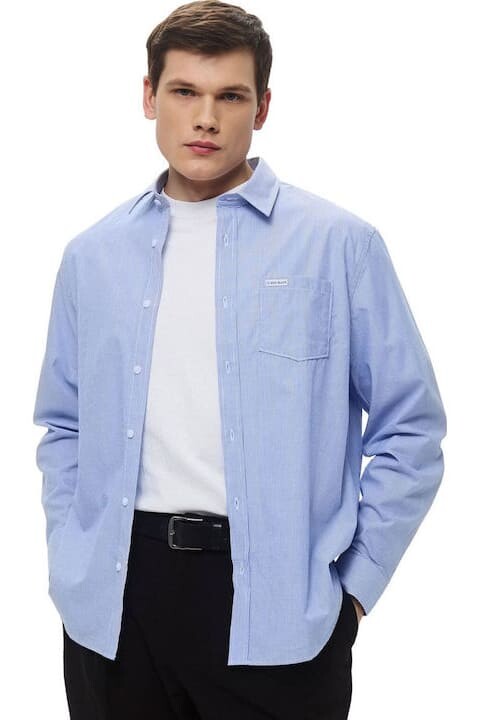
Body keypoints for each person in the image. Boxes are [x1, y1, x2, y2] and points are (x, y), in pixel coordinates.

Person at [32, 1, 447, 718]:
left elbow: (411, 428)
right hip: (114, 604)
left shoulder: (338, 245)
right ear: (148, 97)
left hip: (280, 610)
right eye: (184, 91)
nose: (205, 119)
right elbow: (63, 426)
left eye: (230, 96)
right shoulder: (92, 257)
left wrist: (353, 591)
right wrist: (73, 560)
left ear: (262, 108)